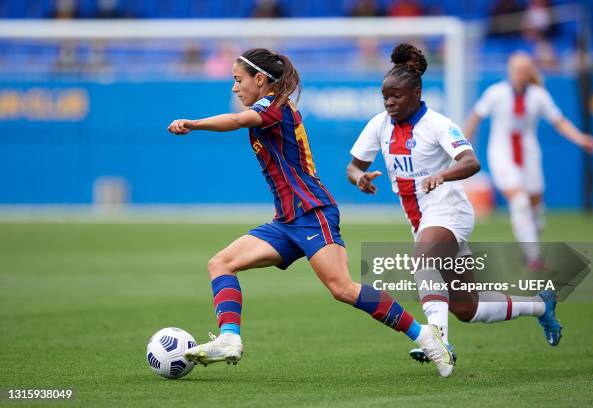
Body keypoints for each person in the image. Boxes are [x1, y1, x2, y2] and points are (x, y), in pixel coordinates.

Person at [167, 48, 454, 377]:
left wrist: (193, 124)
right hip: (287, 220)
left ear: (260, 80)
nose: (234, 88)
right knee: (221, 263)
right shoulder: (270, 107)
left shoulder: (273, 107)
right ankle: (230, 338)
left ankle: (426, 336)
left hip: (312, 212)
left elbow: (235, 120)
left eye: (237, 79)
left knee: (342, 288)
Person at [346, 43, 563, 365]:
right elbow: (353, 167)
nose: (390, 102)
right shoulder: (380, 124)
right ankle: (540, 305)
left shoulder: (438, 124)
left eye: (397, 96)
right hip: (421, 220)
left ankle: (438, 340)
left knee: (423, 259)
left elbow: (471, 161)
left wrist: (443, 175)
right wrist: (359, 178)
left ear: (417, 92)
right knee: (466, 308)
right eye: (385, 97)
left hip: (449, 211)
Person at [463, 52, 593, 270]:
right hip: (502, 155)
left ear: (529, 72)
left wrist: (581, 139)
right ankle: (533, 257)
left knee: (536, 209)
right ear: (509, 71)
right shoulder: (495, 93)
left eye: (523, 70)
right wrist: (460, 146)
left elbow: (558, 121)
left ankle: (531, 245)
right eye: (515, 69)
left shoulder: (538, 96)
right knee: (520, 202)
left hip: (529, 155)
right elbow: (475, 118)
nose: (519, 74)